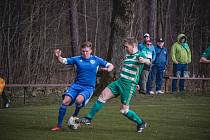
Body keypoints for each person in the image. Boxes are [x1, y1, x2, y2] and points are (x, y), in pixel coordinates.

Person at [76, 37, 151, 133]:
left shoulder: (140, 54)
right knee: (102, 96)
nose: (125, 49)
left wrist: (144, 61)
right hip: (119, 82)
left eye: (126, 47)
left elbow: (149, 61)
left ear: (133, 45)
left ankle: (141, 123)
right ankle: (88, 118)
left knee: (124, 110)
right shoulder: (128, 55)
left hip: (128, 85)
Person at [51, 41, 114, 131]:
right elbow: (64, 61)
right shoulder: (77, 59)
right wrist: (58, 57)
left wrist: (108, 69)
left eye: (87, 51)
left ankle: (75, 115)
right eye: (83, 51)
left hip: (88, 87)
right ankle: (59, 126)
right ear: (81, 50)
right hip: (76, 85)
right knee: (65, 101)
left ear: (91, 51)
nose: (84, 53)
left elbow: (111, 65)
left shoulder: (96, 60)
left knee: (79, 99)